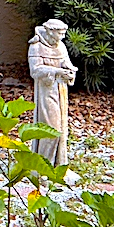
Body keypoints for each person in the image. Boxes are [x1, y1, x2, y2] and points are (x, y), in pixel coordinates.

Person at [28, 18, 79, 167]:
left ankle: (58, 165)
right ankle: (42, 167)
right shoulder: (36, 46)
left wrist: (70, 73)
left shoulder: (60, 46)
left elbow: (67, 65)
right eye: (60, 33)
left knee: (61, 131)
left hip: (61, 91)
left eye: (63, 34)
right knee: (51, 129)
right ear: (50, 32)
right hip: (46, 92)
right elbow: (35, 71)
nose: (62, 37)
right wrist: (56, 71)